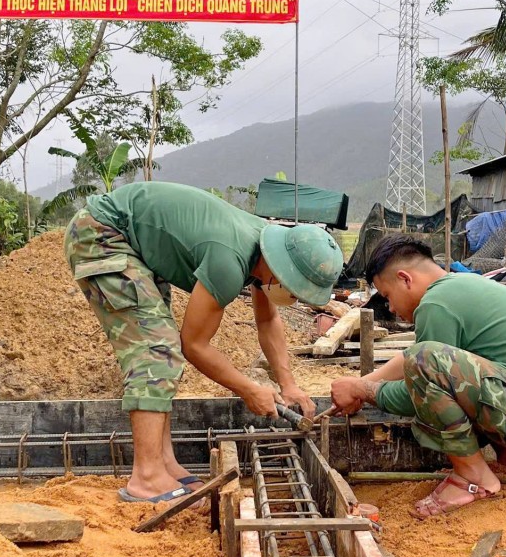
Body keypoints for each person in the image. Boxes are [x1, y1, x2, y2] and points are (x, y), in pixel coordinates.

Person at [64, 181, 343, 503]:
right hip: (101, 235)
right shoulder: (229, 260)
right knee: (156, 353)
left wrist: (288, 384)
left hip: (129, 239)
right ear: (280, 270)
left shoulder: (263, 248)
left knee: (161, 346)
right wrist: (248, 389)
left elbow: (267, 320)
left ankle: (164, 463)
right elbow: (194, 345)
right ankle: (147, 476)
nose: (292, 296)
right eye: (294, 288)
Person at [330, 235, 506, 518]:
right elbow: (413, 359)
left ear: (405, 278)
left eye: (387, 297)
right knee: (440, 364)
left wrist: (368, 391)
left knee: (428, 362)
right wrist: (362, 384)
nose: (391, 309)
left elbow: (420, 384)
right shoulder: (460, 289)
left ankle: (473, 477)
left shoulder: (436, 303)